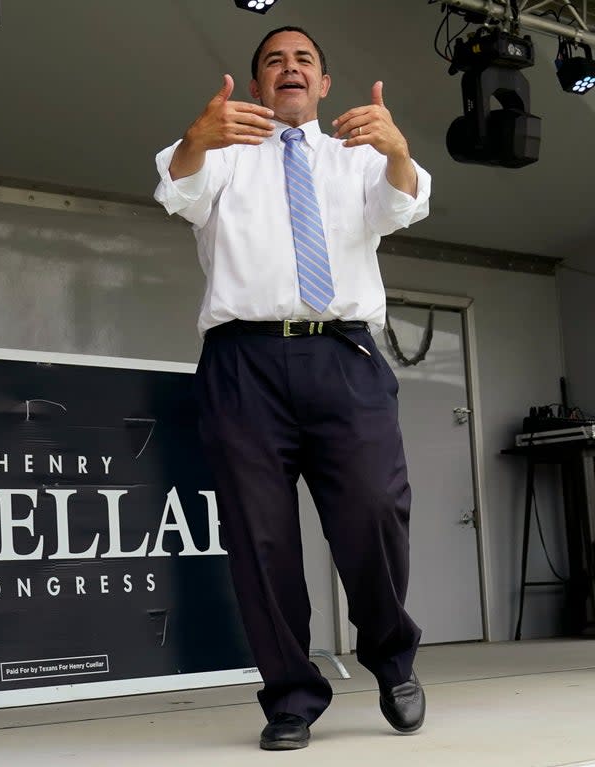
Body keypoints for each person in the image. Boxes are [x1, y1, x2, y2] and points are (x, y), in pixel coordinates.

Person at [153, 26, 430, 751]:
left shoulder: (359, 156)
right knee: (259, 537)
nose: (290, 68)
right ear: (255, 87)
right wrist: (195, 135)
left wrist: (397, 149)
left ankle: (392, 657)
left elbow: (400, 208)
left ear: (325, 84)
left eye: (304, 58)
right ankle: (290, 694)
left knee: (375, 509)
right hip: (243, 365)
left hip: (343, 357)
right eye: (274, 60)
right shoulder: (222, 151)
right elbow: (176, 189)